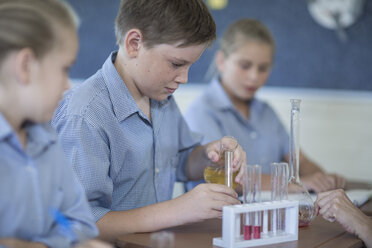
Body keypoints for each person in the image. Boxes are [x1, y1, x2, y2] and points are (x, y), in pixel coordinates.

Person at [52, 0, 246, 242]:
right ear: (135, 44)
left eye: (189, 66)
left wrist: (211, 154)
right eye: (176, 64)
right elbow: (77, 223)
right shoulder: (85, 115)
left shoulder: (161, 96)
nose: (184, 78)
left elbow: (181, 161)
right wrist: (176, 210)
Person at [184, 18, 346, 193]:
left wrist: (323, 179)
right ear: (221, 61)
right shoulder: (201, 112)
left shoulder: (267, 113)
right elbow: (225, 178)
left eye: (263, 68)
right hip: (218, 218)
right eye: (245, 65)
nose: (254, 76)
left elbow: (300, 162)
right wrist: (297, 184)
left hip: (268, 215)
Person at [0, 0, 99, 247]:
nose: (67, 85)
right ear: (25, 66)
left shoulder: (46, 137)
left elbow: (80, 224)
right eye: (64, 69)